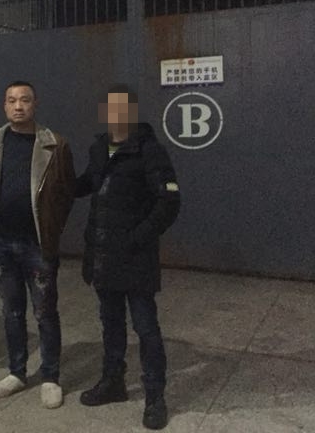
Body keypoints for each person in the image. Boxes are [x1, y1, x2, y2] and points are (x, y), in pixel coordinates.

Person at [76, 85, 181, 430]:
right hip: (103, 257)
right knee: (111, 324)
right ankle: (113, 383)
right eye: (111, 108)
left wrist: (137, 238)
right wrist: (60, 184)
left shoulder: (149, 151)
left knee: (146, 329)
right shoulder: (99, 149)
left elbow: (169, 202)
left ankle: (155, 397)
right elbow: (89, 182)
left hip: (135, 259)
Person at [0, 81, 75, 409]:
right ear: (4, 105)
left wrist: (52, 230)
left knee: (45, 312)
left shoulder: (55, 144)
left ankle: (50, 376)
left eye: (24, 100)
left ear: (35, 104)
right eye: (11, 100)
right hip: (2, 244)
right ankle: (17, 372)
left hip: (37, 246)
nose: (18, 106)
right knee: (11, 311)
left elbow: (66, 193)